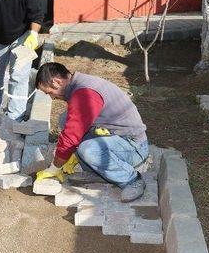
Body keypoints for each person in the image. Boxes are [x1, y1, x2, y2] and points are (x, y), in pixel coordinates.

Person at [34, 62, 149, 202]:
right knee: (65, 119)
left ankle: (132, 180)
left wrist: (55, 167)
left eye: (50, 93)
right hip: (118, 138)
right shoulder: (79, 84)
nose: (52, 98)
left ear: (56, 82)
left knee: (88, 150)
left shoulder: (85, 93)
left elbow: (71, 136)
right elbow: (75, 127)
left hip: (133, 147)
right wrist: (70, 153)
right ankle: (97, 171)